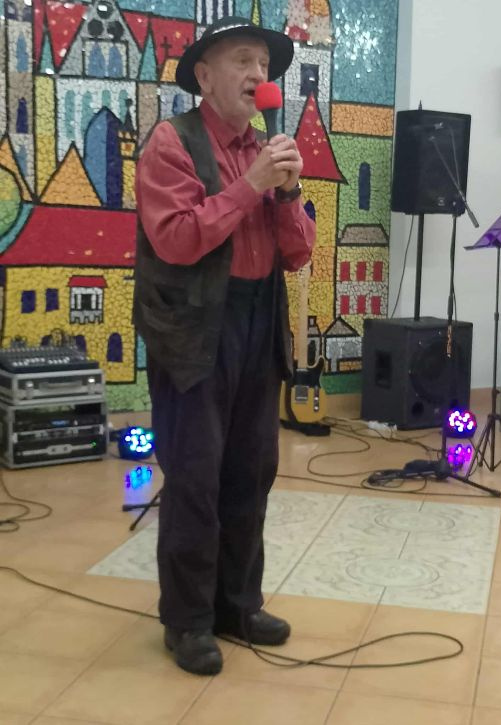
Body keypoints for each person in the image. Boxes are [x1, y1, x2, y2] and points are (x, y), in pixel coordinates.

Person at [133, 16, 316, 676]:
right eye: (242, 60)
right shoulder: (171, 143)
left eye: (263, 64)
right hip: (193, 329)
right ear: (205, 77)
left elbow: (299, 253)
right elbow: (178, 238)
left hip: (256, 322)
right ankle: (186, 620)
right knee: (195, 477)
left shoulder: (265, 150)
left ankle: (237, 604)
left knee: (250, 472)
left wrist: (288, 191)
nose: (257, 74)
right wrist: (251, 185)